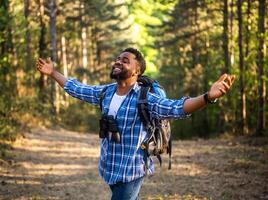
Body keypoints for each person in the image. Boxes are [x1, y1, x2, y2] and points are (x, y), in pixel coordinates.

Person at [36, 47, 235, 200]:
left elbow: (177, 107)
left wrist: (208, 97)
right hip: (109, 167)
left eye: (125, 60)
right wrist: (53, 72)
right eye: (117, 59)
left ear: (137, 70)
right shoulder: (106, 92)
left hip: (132, 171)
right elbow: (77, 88)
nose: (118, 62)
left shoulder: (145, 98)